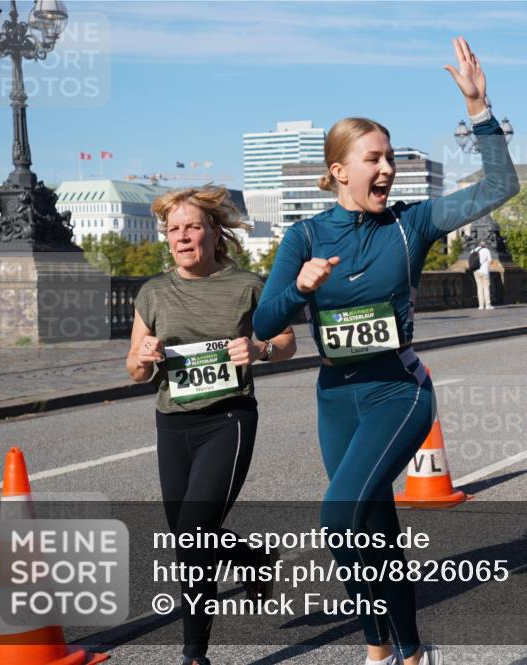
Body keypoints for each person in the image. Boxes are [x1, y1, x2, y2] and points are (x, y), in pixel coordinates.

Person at [252, 37, 518, 665]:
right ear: (340, 169)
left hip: (399, 393)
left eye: (391, 158)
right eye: (374, 158)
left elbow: (499, 185)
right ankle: (395, 650)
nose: (388, 169)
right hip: (336, 398)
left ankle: (393, 648)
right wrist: (300, 286)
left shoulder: (411, 223)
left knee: (337, 521)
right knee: (374, 536)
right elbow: (264, 321)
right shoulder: (305, 235)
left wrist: (480, 109)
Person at [126, 186, 297, 665]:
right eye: (174, 229)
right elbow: (136, 370)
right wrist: (143, 357)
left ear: (213, 232)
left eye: (192, 227)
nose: (182, 237)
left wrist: (260, 350)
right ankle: (254, 560)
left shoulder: (246, 286)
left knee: (195, 533)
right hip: (173, 421)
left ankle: (194, 654)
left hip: (228, 419)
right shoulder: (153, 292)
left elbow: (287, 342)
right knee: (187, 537)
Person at [473, 239, 494, 309]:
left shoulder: (474, 250)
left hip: (476, 271)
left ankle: (481, 305)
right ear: (485, 245)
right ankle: (488, 305)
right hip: (484, 271)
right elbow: (490, 261)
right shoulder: (486, 250)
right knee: (486, 288)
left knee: (479, 288)